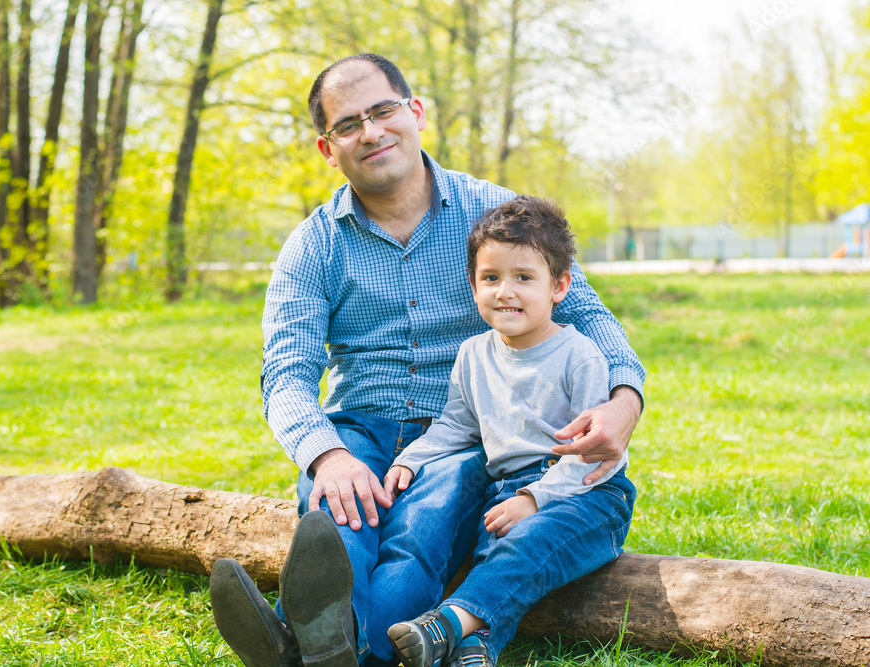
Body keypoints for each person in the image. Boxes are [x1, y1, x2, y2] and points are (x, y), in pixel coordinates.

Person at [210, 53, 645, 667]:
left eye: (383, 111)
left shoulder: (492, 212)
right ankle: (329, 643)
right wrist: (328, 455)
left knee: (419, 534)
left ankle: (303, 648)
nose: (371, 132)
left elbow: (589, 315)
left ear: (414, 112)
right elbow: (285, 373)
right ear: (327, 148)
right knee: (340, 519)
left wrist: (625, 398)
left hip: (461, 434)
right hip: (358, 424)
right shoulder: (312, 246)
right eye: (348, 125)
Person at [383, 195, 636, 667]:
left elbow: (598, 457)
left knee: (524, 547)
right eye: (491, 278)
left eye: (524, 278)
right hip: (507, 491)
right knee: (495, 559)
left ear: (559, 286)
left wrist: (536, 499)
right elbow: (456, 426)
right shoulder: (473, 355)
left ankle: (445, 623)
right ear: (474, 284)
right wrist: (410, 458)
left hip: (588, 494)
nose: (505, 291)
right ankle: (475, 650)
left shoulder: (578, 355)